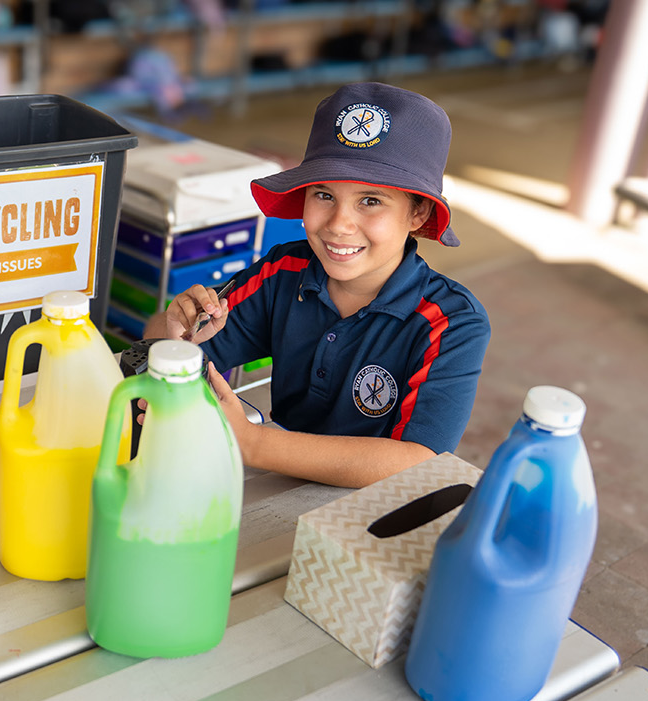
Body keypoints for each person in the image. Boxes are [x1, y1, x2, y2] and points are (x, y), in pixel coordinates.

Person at [144, 81, 490, 488]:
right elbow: (163, 345)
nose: (338, 225)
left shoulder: (451, 324)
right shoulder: (283, 272)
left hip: (374, 506)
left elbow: (416, 462)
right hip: (283, 481)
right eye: (324, 194)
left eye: (371, 200)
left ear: (418, 214)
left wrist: (255, 444)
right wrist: (177, 338)